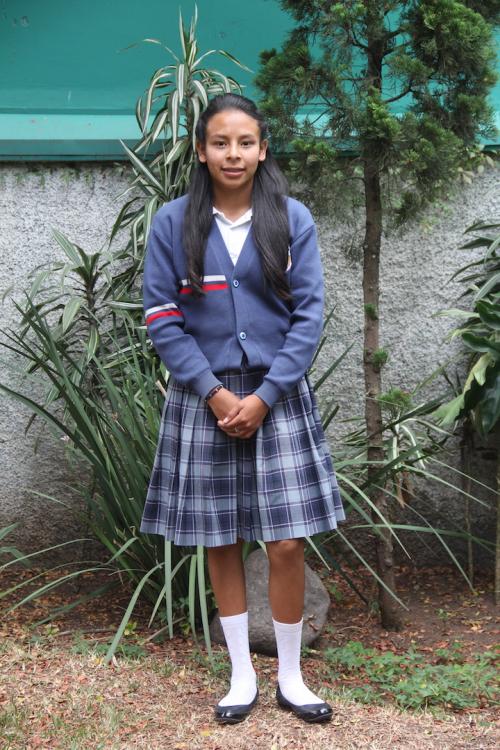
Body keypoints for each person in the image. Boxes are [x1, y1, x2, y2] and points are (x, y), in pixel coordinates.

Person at [140, 93, 346, 724]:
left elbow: (308, 317)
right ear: (201, 151)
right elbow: (162, 316)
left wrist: (264, 395)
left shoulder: (291, 218)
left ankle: (291, 675)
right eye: (221, 143)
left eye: (246, 142)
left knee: (285, 541)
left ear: (262, 149)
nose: (234, 154)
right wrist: (215, 392)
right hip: (204, 397)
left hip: (276, 396)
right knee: (221, 537)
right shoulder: (174, 222)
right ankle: (239, 674)